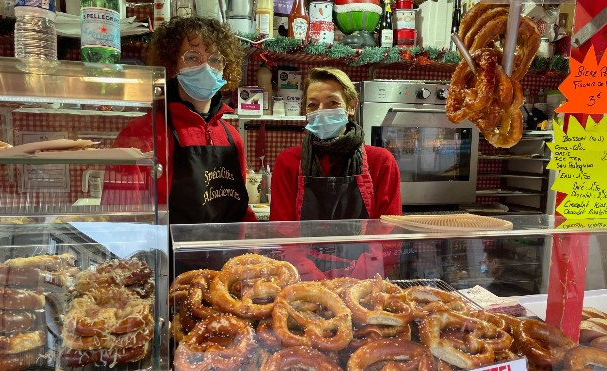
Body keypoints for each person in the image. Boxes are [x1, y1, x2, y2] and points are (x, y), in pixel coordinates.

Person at [103, 17, 257, 225]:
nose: (206, 67)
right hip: (167, 256)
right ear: (171, 65)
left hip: (227, 256)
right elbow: (121, 221)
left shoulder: (233, 138)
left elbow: (240, 210)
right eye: (193, 57)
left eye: (214, 60)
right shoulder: (141, 134)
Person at [269, 67, 402, 280]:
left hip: (365, 281)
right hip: (304, 282)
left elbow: (389, 235)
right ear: (306, 112)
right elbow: (283, 233)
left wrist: (354, 282)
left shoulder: (381, 162)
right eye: (313, 105)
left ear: (351, 106)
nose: (321, 110)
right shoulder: (288, 162)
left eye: (333, 103)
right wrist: (314, 281)